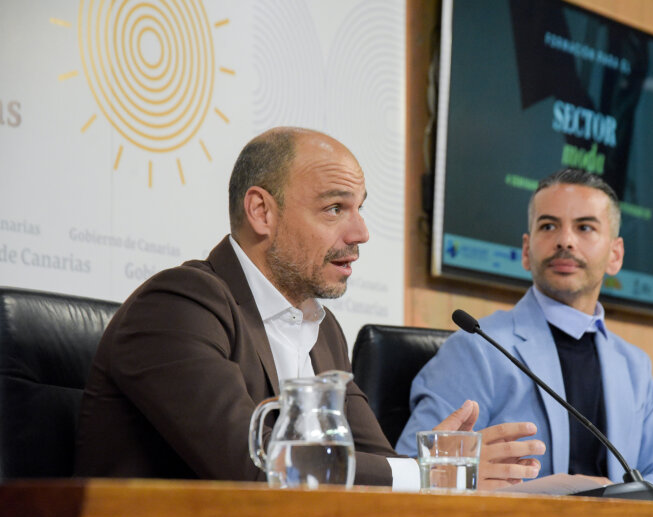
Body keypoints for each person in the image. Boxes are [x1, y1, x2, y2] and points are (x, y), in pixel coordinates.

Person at [74, 127, 544, 489]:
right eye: (335, 208)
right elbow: (260, 469)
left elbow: (376, 466)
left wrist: (433, 468)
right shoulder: (178, 306)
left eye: (359, 208)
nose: (360, 233)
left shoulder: (324, 330)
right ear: (262, 212)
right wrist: (427, 474)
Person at [396, 168, 653, 496]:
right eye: (548, 226)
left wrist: (614, 494)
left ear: (615, 255)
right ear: (527, 252)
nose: (565, 240)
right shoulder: (479, 349)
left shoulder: (633, 366)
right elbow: (413, 472)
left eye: (585, 227)